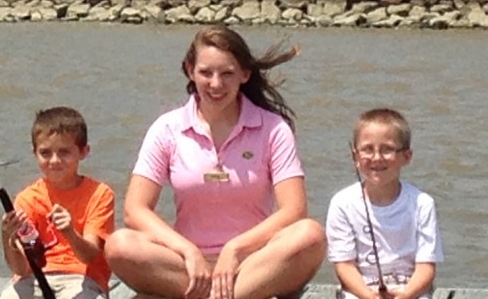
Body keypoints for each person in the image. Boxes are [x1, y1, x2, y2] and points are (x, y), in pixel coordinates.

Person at [104, 27, 325, 299]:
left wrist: (235, 249)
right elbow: (135, 210)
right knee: (119, 245)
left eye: (227, 73)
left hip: (254, 264)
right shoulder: (167, 128)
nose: (216, 84)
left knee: (310, 235)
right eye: (206, 73)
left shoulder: (273, 129)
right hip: (187, 266)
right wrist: (187, 250)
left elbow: (294, 209)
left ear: (245, 74)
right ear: (189, 71)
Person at [0, 107, 115, 299]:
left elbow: (90, 256)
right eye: (45, 153)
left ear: (84, 152)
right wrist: (7, 237)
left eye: (64, 152)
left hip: (81, 278)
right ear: (34, 153)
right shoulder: (27, 198)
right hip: (33, 278)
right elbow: (20, 267)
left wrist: (69, 232)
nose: (54, 161)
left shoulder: (100, 194)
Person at [323, 109, 441, 299]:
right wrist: (368, 296)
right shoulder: (342, 203)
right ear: (355, 156)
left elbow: (426, 267)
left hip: (410, 291)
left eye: (387, 149)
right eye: (368, 149)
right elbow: (344, 265)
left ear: (407, 157)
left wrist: (406, 295)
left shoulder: (422, 204)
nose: (377, 158)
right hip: (360, 291)